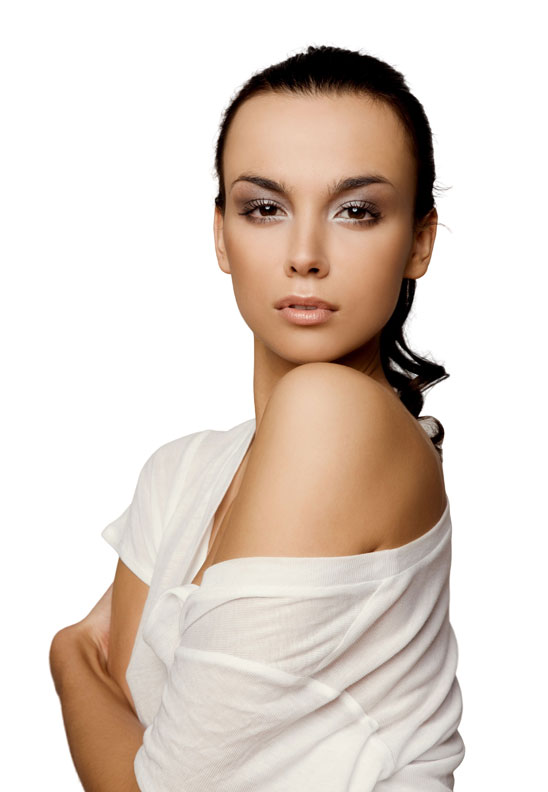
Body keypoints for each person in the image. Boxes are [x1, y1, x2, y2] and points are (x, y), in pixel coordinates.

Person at [49, 44, 465, 790]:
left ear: (419, 240)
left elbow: (160, 781)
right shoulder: (180, 474)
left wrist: (65, 657)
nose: (305, 254)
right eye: (265, 208)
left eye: (357, 211)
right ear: (221, 234)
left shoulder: (337, 414)